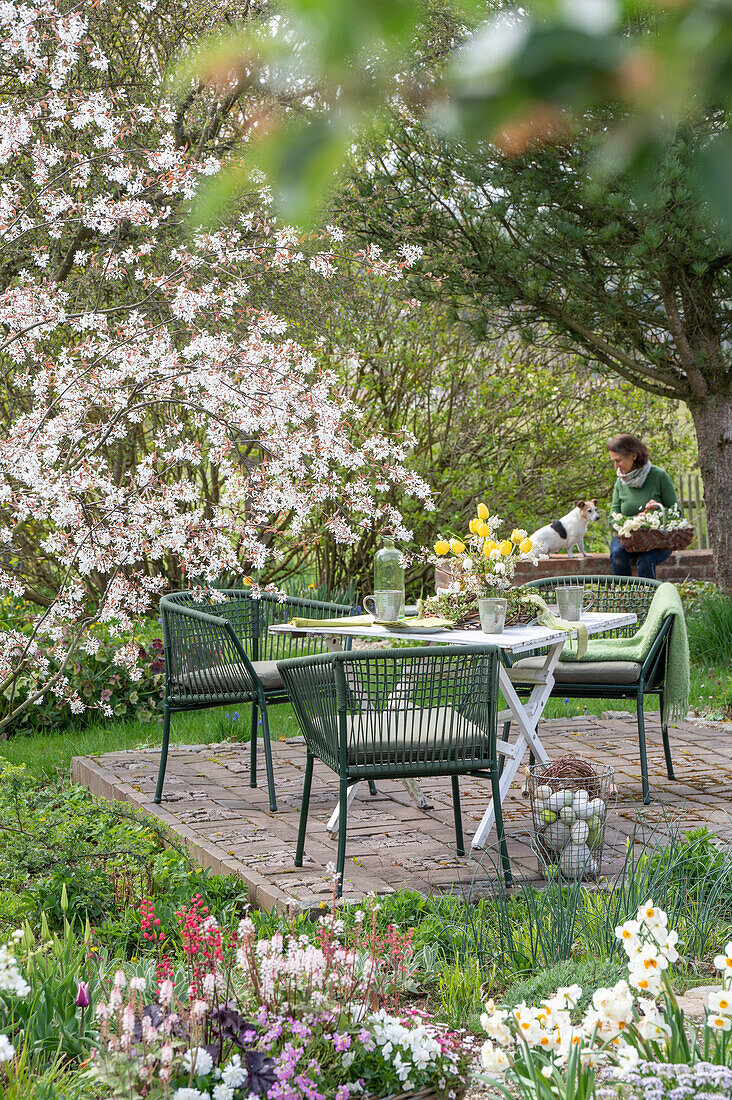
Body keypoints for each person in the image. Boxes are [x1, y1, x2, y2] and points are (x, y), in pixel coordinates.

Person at [607, 433, 679, 580]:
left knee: (645, 561)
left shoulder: (659, 476)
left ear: (633, 455)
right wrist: (632, 522)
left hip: (657, 539)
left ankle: (649, 600)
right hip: (629, 538)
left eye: (618, 460)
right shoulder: (620, 482)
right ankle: (623, 598)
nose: (616, 466)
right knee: (617, 554)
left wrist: (655, 513)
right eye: (613, 461)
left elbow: (676, 512)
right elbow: (612, 517)